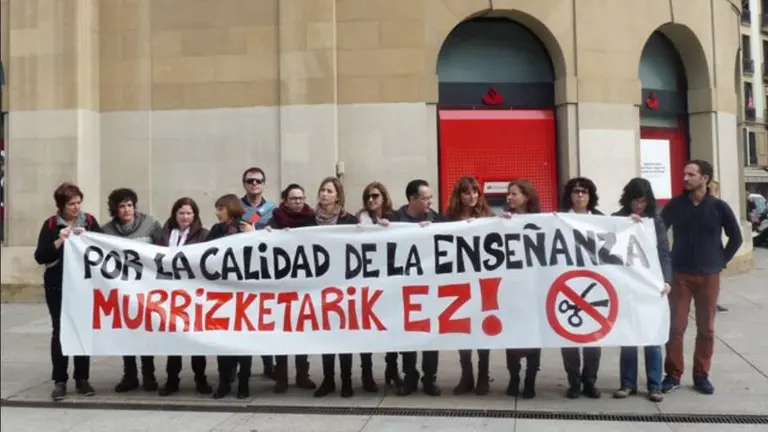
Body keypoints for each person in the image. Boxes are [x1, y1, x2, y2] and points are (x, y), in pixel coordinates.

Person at [660, 160, 743, 395]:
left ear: (704, 178)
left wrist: (720, 261)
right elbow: (657, 231)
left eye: (691, 174)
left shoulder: (719, 207)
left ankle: (701, 375)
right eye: (684, 174)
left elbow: (736, 237)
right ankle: (673, 374)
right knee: (676, 328)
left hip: (709, 276)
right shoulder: (676, 205)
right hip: (680, 274)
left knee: (706, 329)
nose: (685, 178)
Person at [34, 183, 102, 401]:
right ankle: (60, 380)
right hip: (58, 285)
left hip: (83, 285)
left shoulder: (89, 221)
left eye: (78, 202)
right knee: (60, 330)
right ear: (61, 206)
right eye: (71, 204)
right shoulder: (51, 224)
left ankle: (82, 378)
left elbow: (103, 248)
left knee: (82, 328)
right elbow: (40, 256)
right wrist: (60, 240)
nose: (76, 207)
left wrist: (87, 238)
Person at [311, 177, 378, 398]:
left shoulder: (348, 220)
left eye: (329, 191)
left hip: (345, 286)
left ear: (338, 196)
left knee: (344, 335)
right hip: (320, 286)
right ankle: (328, 379)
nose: (324, 194)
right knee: (327, 336)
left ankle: (347, 380)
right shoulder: (310, 221)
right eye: (322, 190)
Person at [611, 178, 672, 403]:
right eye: (636, 201)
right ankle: (627, 383)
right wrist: (627, 226)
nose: (640, 205)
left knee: (651, 336)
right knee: (628, 336)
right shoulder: (617, 219)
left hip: (650, 283)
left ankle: (655, 384)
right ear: (628, 200)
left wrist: (667, 279)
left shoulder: (655, 220)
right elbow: (609, 250)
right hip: (627, 284)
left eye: (644, 201)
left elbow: (664, 251)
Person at [102, 188, 162, 393]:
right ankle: (129, 374)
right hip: (121, 289)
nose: (127, 209)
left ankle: (149, 374)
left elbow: (164, 251)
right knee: (125, 332)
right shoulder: (106, 231)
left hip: (146, 288)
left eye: (129, 205)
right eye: (122, 206)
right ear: (115, 209)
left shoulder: (150, 224)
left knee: (145, 331)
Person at [389, 179, 443, 396]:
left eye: (430, 198)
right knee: (408, 335)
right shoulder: (394, 219)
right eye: (425, 198)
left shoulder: (436, 219)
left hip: (429, 287)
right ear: (412, 199)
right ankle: (410, 377)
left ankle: (430, 379)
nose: (429, 202)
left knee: (431, 335)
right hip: (404, 287)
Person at [155, 197, 214, 396]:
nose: (185, 217)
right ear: (175, 214)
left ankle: (201, 378)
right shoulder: (164, 234)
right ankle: (172, 379)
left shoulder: (204, 235)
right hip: (170, 294)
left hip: (195, 295)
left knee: (196, 339)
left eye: (189, 213)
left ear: (195, 215)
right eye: (181, 213)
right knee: (173, 339)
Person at [266, 184, 319, 394]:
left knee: (301, 332)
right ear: (285, 201)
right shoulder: (275, 220)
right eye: (293, 198)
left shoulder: (312, 219)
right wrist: (271, 234)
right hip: (281, 285)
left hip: (304, 285)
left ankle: (302, 374)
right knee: (282, 333)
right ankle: (281, 377)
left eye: (300, 198)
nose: (298, 201)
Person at [445, 177, 495, 396]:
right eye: (467, 192)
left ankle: (483, 374)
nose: (472, 196)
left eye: (475, 192)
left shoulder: (488, 216)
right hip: (459, 281)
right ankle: (467, 374)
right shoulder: (448, 218)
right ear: (459, 196)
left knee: (482, 327)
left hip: (483, 281)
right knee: (462, 328)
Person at [558, 177, 603, 399]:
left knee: (594, 336)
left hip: (595, 286)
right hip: (568, 283)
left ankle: (590, 381)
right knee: (569, 336)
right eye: (576, 191)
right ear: (570, 195)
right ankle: (574, 381)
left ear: (590, 196)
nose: (580, 196)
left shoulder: (603, 221)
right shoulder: (559, 219)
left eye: (585, 192)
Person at [356, 181, 402, 389]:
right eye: (368, 196)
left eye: (375, 196)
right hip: (367, 281)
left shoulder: (395, 218)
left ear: (384, 198)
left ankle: (392, 369)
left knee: (392, 327)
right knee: (366, 329)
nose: (371, 200)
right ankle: (366, 373)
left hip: (390, 281)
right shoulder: (360, 219)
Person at [208, 194, 255, 399]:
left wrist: (254, 235)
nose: (218, 213)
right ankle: (224, 382)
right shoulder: (216, 231)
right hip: (222, 293)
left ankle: (244, 382)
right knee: (222, 340)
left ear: (231, 209)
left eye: (221, 208)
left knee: (243, 341)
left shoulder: (246, 228)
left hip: (243, 293)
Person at [501, 179, 543, 399]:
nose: (510, 197)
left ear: (526, 197)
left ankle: (530, 380)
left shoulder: (541, 221)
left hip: (533, 288)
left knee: (533, 336)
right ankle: (514, 377)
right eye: (508, 194)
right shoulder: (503, 220)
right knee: (513, 336)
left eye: (514, 193)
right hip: (512, 289)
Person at [239, 167, 277, 379]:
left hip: (265, 271)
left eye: (258, 181)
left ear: (264, 184)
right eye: (250, 181)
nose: (254, 184)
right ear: (244, 184)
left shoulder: (273, 210)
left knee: (265, 319)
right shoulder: (235, 207)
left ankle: (268, 363)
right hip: (241, 270)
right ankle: (237, 366)